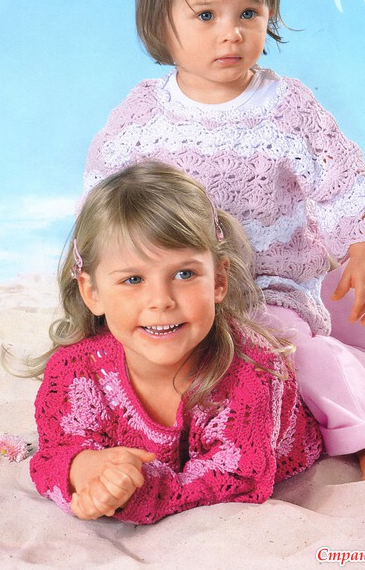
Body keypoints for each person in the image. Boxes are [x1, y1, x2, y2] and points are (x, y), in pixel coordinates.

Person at [83, 0, 365, 480]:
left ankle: (364, 429)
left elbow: (341, 180)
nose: (231, 32)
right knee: (125, 358)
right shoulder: (141, 116)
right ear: (161, 21)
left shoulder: (288, 109)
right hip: (177, 287)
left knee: (288, 355)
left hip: (268, 288)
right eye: (206, 15)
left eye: (249, 13)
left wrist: (364, 254)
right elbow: (104, 201)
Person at [28, 162, 323, 524]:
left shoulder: (252, 373)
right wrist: (87, 470)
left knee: (335, 389)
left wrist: (135, 494)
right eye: (133, 279)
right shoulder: (75, 372)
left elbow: (234, 477)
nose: (161, 300)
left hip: (294, 433)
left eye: (185, 274)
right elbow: (55, 450)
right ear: (93, 293)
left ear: (218, 280)